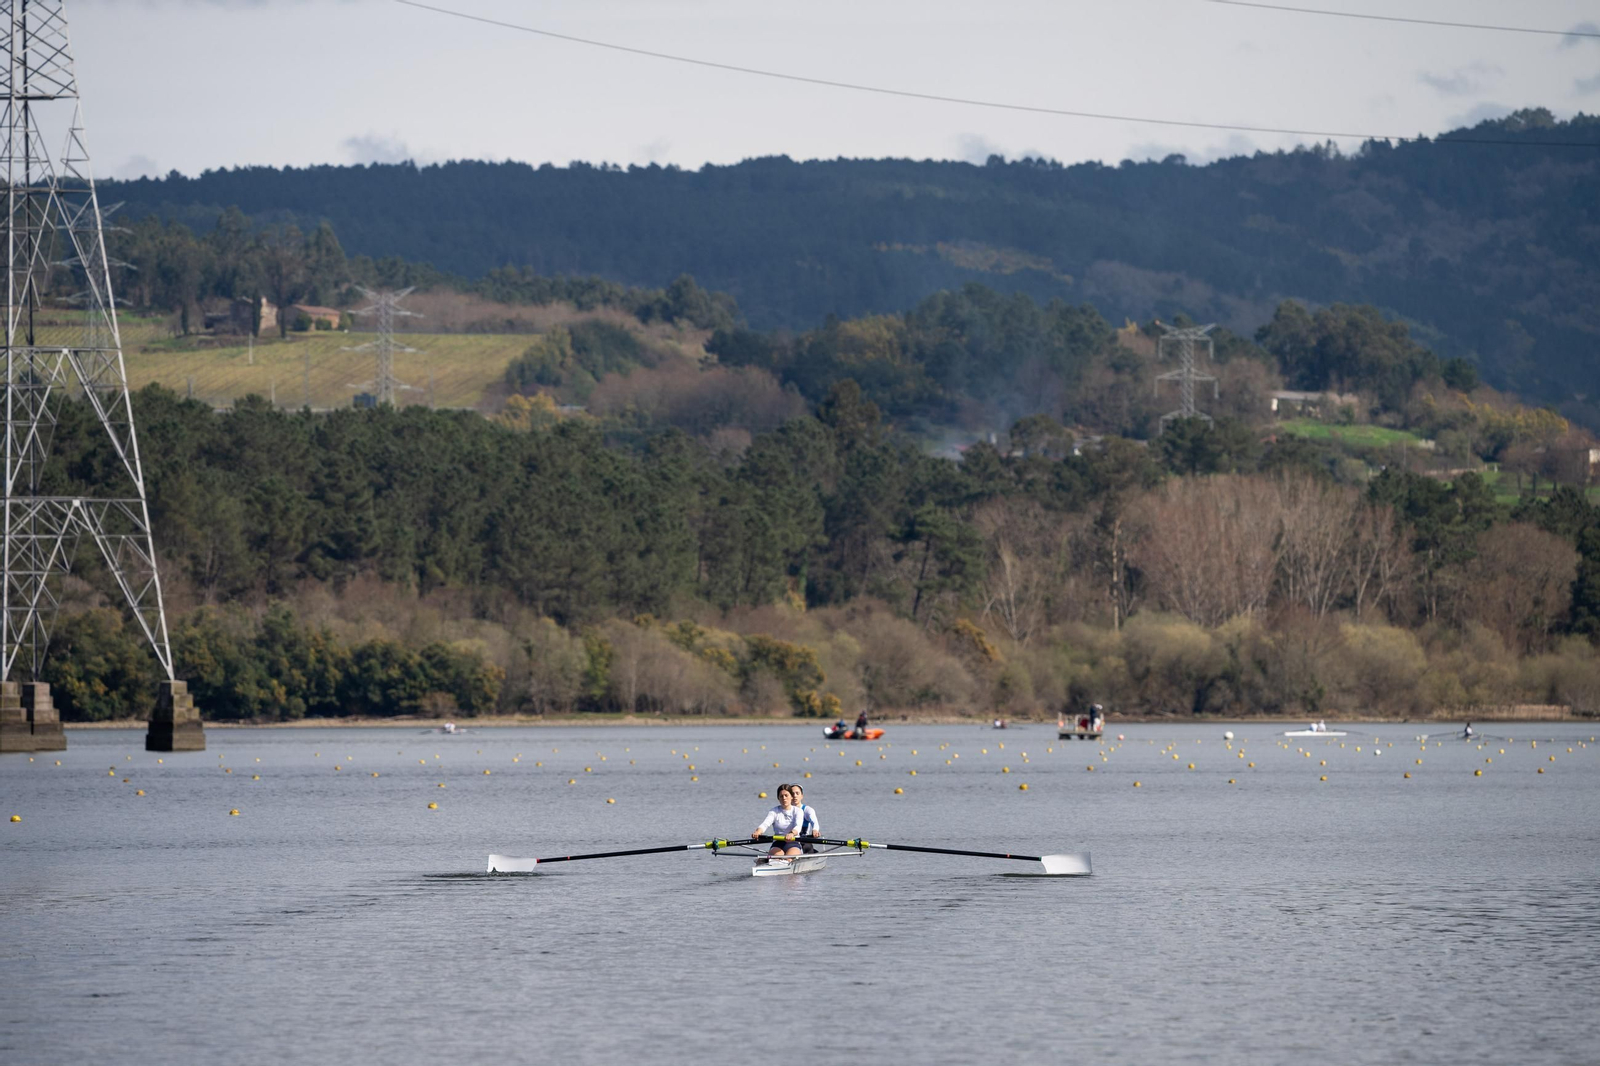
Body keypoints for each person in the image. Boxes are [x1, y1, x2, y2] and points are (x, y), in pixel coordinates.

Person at [753, 785, 804, 858]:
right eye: (781, 796)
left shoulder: (798, 811)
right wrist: (758, 831)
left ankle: (788, 862)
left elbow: (798, 826)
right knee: (775, 858)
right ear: (778, 798)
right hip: (778, 842)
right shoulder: (774, 811)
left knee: (789, 858)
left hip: (793, 841)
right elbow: (765, 824)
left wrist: (792, 833)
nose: (784, 798)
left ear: (791, 797)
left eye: (786, 795)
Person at [790, 783, 819, 854]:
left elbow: (814, 822)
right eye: (792, 794)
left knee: (807, 846)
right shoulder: (783, 810)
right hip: (788, 840)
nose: (794, 796)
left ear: (802, 796)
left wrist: (815, 830)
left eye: (797, 793)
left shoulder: (807, 810)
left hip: (803, 841)